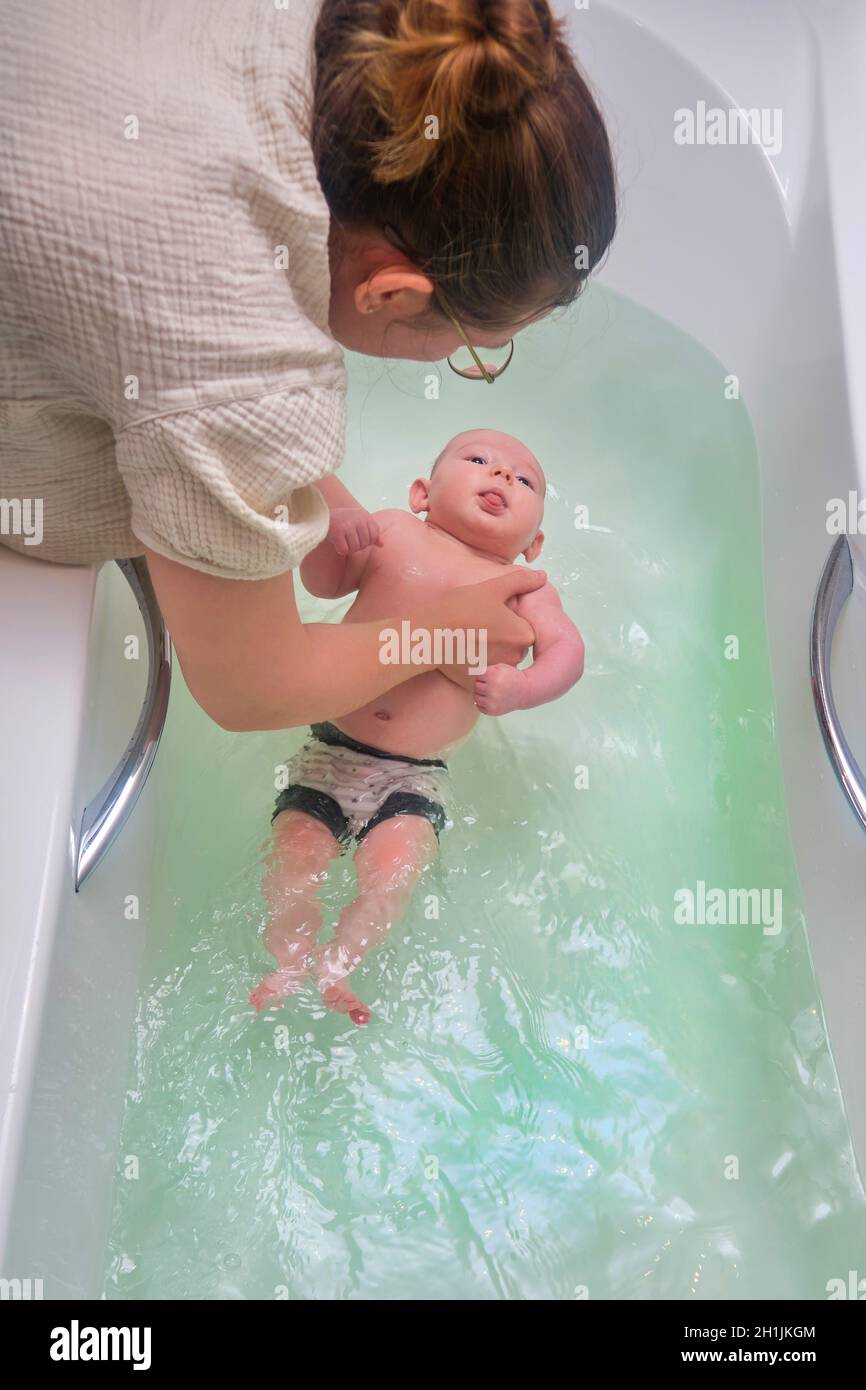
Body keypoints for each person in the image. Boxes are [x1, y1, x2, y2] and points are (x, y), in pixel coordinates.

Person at [0, 0, 615, 730]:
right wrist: (442, 632)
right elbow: (253, 690)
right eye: (476, 351)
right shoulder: (234, 336)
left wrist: (328, 507)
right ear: (390, 292)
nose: (501, 477)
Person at [251, 428, 584, 1024]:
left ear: (534, 543)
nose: (502, 475)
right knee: (296, 861)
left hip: (415, 776)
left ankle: (340, 965)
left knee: (392, 874)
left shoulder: (528, 588)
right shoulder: (392, 530)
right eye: (480, 459)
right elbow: (323, 583)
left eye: (525, 479)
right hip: (330, 750)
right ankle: (288, 959)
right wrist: (337, 535)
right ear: (421, 493)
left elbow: (567, 651)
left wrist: (524, 687)